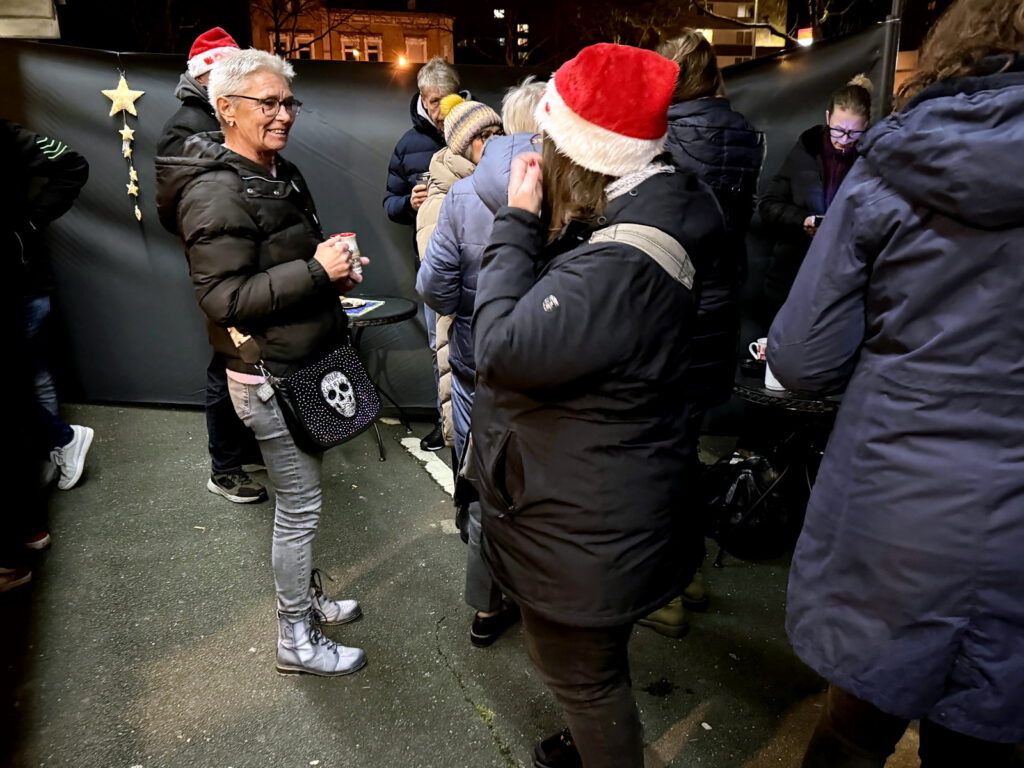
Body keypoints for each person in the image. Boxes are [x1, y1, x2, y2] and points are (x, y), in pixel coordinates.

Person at [767, 0, 1024, 762]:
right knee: (984, 739)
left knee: (856, 726)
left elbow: (804, 356)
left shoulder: (891, 168)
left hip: (897, 509)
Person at [470, 44, 724, 768]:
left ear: (580, 151)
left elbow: (501, 347)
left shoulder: (618, 263)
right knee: (595, 663)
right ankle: (593, 744)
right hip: (615, 490)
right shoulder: (672, 199)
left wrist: (517, 223)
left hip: (584, 517)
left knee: (582, 675)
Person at [156, 49, 369, 677]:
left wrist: (334, 270)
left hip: (301, 362)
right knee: (298, 508)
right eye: (267, 104)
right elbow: (223, 299)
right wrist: (315, 271)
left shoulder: (276, 170)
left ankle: (307, 601)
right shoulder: (215, 190)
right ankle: (295, 639)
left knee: (303, 502)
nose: (283, 116)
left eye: (287, 103)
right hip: (270, 375)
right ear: (225, 109)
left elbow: (281, 261)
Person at [638, 30, 765, 638]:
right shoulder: (743, 133)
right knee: (684, 447)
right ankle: (687, 573)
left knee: (659, 453)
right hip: (721, 308)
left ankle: (665, 593)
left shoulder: (664, 134)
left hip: (673, 310)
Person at [417, 80, 543, 648]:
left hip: (478, 365)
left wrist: (471, 308)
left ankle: (488, 608)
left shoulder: (464, 197)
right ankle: (544, 609)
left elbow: (434, 287)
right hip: (551, 372)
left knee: (486, 488)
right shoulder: (578, 195)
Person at [156, 27, 266, 505]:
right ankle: (224, 468)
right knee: (227, 358)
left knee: (240, 357)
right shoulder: (187, 125)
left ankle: (238, 451)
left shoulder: (211, 117)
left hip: (238, 251)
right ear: (207, 77)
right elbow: (180, 204)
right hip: (221, 258)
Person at [2, 119, 92, 493]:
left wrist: (30, 224)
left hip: (21, 280)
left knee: (31, 372)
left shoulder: (6, 135)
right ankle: (54, 447)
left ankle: (57, 445)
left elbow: (72, 164)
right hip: (24, 279)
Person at [384, 56, 465, 453]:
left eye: (445, 100)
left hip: (477, 262)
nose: (438, 111)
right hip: (433, 266)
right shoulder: (407, 144)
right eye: (432, 101)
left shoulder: (477, 131)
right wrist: (407, 203)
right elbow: (389, 203)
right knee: (440, 350)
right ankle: (444, 423)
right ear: (421, 96)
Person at [758, 74, 872, 323]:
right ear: (827, 118)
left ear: (867, 126)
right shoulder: (806, 149)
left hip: (844, 281)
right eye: (839, 131)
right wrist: (803, 220)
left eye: (854, 134)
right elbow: (768, 205)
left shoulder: (872, 158)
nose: (844, 141)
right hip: (791, 276)